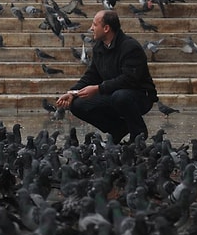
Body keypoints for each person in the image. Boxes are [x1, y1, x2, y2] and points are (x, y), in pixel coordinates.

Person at [56, 10, 158, 144]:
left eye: (94, 25)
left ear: (106, 28)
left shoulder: (130, 47)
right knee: (77, 104)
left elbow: (129, 80)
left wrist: (99, 89)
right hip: (112, 93)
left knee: (120, 97)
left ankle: (138, 133)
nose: (91, 28)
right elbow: (91, 76)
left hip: (139, 96)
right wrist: (72, 92)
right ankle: (118, 129)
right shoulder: (99, 47)